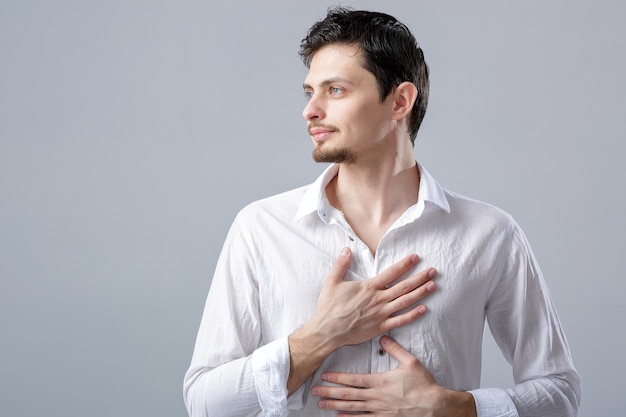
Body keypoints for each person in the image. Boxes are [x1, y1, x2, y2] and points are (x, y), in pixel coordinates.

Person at [183, 7, 581, 417]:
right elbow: (205, 403)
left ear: (399, 101)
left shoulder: (490, 234)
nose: (310, 111)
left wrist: (455, 408)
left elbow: (561, 394)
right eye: (309, 92)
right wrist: (319, 336)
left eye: (335, 90)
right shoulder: (261, 229)